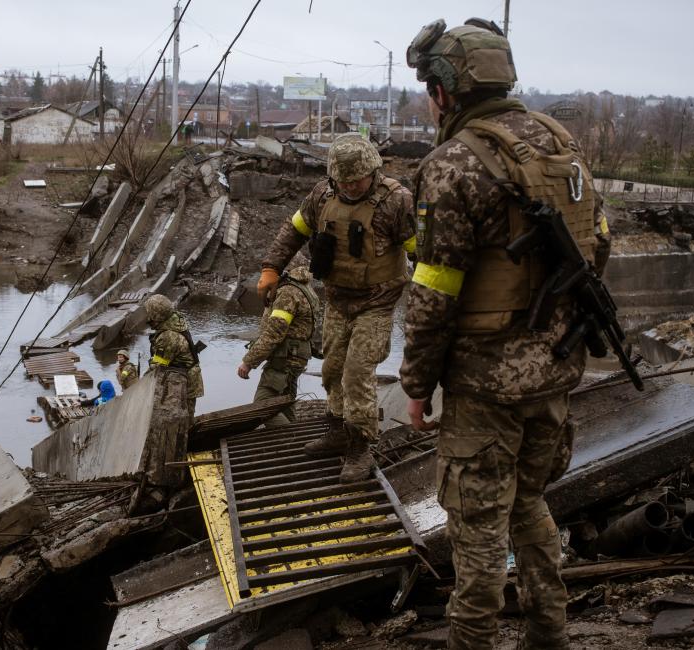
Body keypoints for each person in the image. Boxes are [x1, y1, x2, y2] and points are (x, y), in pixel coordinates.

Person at [400, 18, 612, 650]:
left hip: (485, 384)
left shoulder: (452, 164)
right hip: (555, 368)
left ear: (444, 90)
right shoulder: (560, 143)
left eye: (429, 88)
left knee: (478, 534)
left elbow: (434, 293)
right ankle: (550, 636)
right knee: (530, 506)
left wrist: (417, 384)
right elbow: (596, 247)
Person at [258, 132, 417, 482]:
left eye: (356, 181)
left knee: (358, 373)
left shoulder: (397, 202)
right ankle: (336, 429)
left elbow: (423, 253)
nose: (350, 187)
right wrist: (271, 267)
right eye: (343, 181)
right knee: (331, 369)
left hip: (377, 303)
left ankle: (360, 448)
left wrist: (429, 299)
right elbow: (294, 230)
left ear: (372, 172)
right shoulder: (322, 195)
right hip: (337, 299)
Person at [237, 264, 320, 427]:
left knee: (262, 407)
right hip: (296, 358)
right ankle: (296, 441)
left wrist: (249, 362)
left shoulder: (287, 292)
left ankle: (294, 443)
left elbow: (274, 333)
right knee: (285, 406)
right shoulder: (304, 287)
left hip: (284, 360)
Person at [144, 294, 204, 416]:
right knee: (186, 416)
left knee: (181, 420)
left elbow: (157, 367)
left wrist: (139, 386)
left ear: (156, 315)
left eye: (149, 313)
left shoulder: (168, 336)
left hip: (184, 384)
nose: (147, 316)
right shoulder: (176, 321)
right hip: (187, 378)